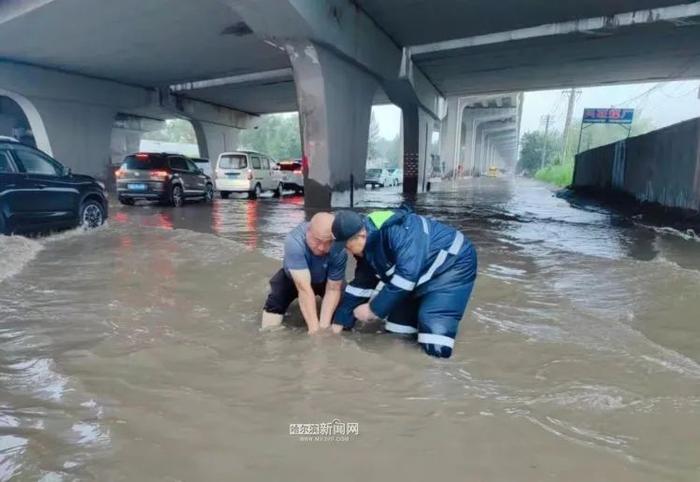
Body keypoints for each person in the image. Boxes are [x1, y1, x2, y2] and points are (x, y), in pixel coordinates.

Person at [330, 206, 477, 358]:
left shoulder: (399, 233)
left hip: (452, 267)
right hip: (416, 278)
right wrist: (340, 322)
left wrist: (373, 309)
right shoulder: (367, 248)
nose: (347, 251)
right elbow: (361, 286)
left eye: (347, 246)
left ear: (361, 235)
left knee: (434, 338)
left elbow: (407, 277)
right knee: (397, 333)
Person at [261, 212, 347, 333]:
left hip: (325, 277)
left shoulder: (339, 248)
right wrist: (314, 331)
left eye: (328, 242)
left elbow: (333, 289)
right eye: (317, 241)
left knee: (346, 308)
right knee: (276, 300)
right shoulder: (294, 241)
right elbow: (304, 289)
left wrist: (323, 328)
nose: (322, 248)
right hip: (296, 279)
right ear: (308, 232)